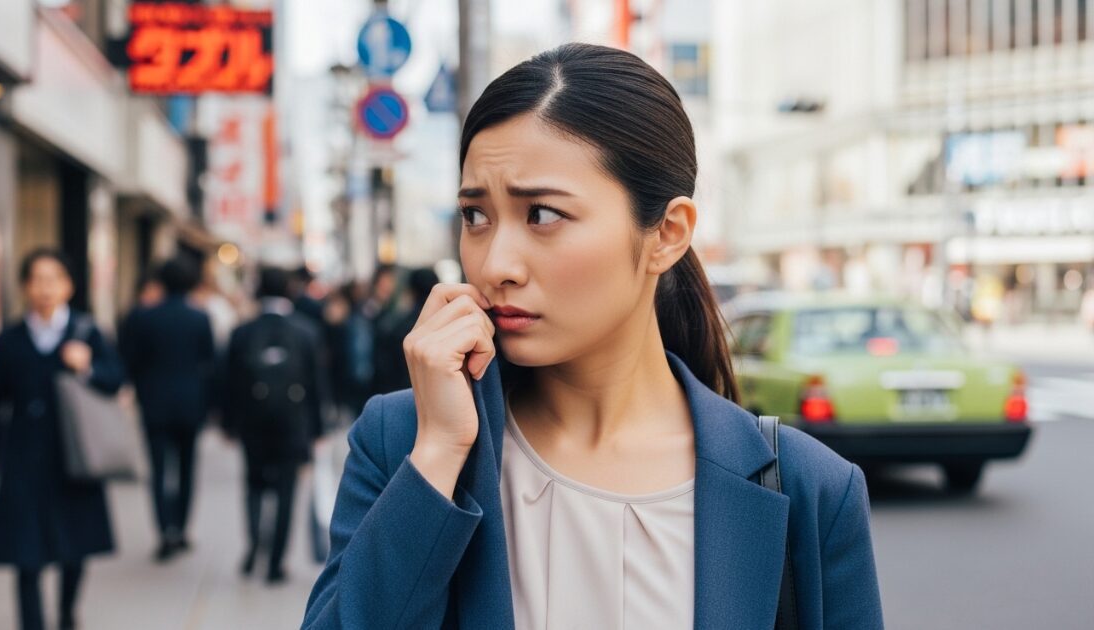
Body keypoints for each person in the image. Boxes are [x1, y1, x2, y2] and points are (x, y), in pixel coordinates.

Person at [303, 44, 882, 630]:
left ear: (667, 233)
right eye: (476, 216)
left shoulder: (810, 490)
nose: (496, 262)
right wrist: (437, 457)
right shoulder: (403, 441)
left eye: (544, 215)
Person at [0, 249, 124, 630]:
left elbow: (115, 381)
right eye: (36, 280)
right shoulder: (8, 340)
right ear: (24, 286)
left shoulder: (87, 333)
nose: (45, 288)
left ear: (68, 286)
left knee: (75, 550)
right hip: (23, 459)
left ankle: (68, 612)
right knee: (26, 556)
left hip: (74, 455)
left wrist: (87, 365)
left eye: (53, 279)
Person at [222, 268, 325, 584]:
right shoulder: (306, 331)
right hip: (293, 422)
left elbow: (228, 382)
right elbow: (317, 383)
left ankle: (255, 544)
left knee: (253, 484)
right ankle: (276, 562)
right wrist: (318, 429)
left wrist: (229, 423)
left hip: (252, 420)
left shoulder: (242, 332)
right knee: (286, 490)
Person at [123, 255, 216, 561]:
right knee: (187, 468)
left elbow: (131, 362)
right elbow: (209, 363)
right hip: (191, 403)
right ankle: (182, 528)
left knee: (159, 469)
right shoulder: (199, 318)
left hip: (154, 402)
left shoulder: (143, 317)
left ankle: (164, 531)